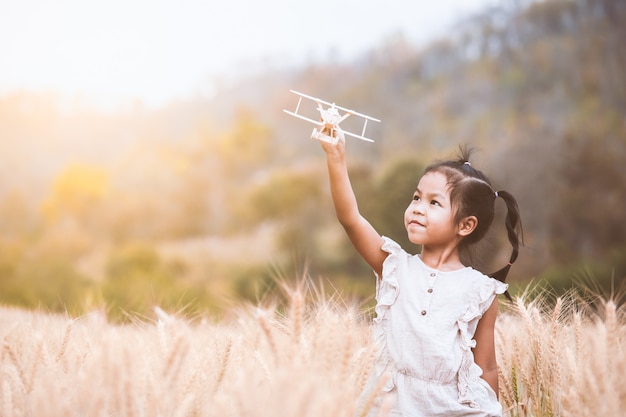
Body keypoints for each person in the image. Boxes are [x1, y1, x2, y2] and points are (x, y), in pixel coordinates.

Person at [318, 126, 522, 417]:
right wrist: (336, 158)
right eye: (416, 198)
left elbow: (486, 365)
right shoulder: (394, 266)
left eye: (433, 202)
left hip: (452, 408)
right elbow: (350, 219)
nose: (417, 208)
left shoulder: (481, 290)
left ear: (465, 225)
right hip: (391, 406)